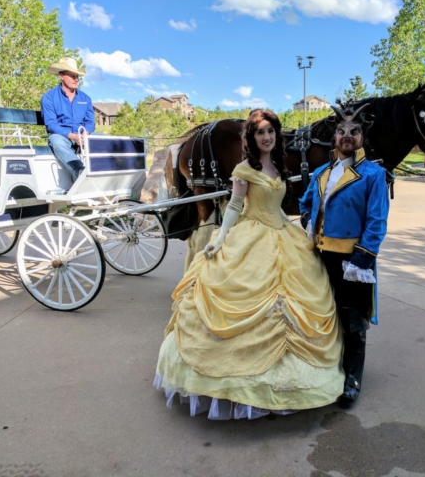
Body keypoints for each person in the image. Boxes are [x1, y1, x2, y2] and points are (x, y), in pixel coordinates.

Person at [153, 109, 343, 420]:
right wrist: (221, 237)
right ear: (251, 138)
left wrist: (297, 229)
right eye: (260, 132)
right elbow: (235, 206)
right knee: (241, 293)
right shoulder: (244, 168)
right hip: (250, 235)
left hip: (281, 233)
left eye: (270, 131)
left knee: (301, 293)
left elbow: (277, 208)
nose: (266, 137)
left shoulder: (278, 166)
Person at [300, 105, 390, 408]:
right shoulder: (321, 173)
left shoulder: (374, 175)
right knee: (326, 317)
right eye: (341, 131)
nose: (347, 135)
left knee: (353, 322)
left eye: (354, 131)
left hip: (353, 261)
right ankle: (331, 370)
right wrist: (308, 221)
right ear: (334, 137)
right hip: (320, 258)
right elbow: (305, 203)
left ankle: (352, 381)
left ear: (362, 137)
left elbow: (376, 222)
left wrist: (361, 260)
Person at [40, 57, 94, 182]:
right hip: (63, 136)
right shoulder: (49, 97)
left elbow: (90, 122)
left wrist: (86, 133)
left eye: (77, 76)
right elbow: (51, 124)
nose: (76, 79)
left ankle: (108, 171)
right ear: (62, 76)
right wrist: (73, 136)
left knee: (104, 139)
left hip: (82, 135)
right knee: (55, 140)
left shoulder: (86, 98)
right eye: (72, 76)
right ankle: (80, 172)